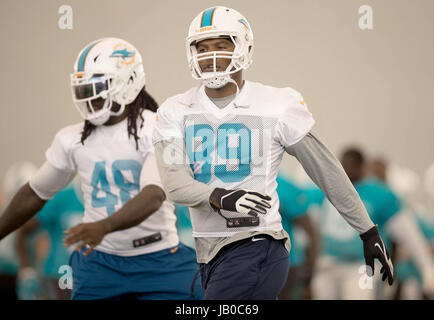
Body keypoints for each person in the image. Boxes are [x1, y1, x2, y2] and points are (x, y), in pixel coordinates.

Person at [152, 6, 393, 299]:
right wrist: (222, 196)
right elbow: (175, 185)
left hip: (257, 244)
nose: (210, 55)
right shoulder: (175, 111)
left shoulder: (277, 104)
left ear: (242, 47)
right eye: (202, 47)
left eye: (220, 45)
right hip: (207, 252)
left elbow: (325, 170)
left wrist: (367, 231)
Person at [0, 37, 202, 300]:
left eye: (97, 86)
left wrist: (103, 226)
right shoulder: (72, 139)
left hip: (159, 259)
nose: (89, 96)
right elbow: (35, 193)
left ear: (128, 83)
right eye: (83, 88)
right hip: (100, 263)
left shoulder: (160, 128)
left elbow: (153, 195)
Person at [310, 148, 434, 299]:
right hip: (328, 262)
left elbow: (411, 236)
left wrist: (427, 269)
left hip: (362, 265)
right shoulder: (326, 188)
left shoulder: (381, 195)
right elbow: (309, 225)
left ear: (363, 167)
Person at [275, 173, 320, 300]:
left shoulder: (281, 185)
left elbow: (312, 232)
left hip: (285, 266)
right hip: (241, 265)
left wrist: (309, 273)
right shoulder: (228, 180)